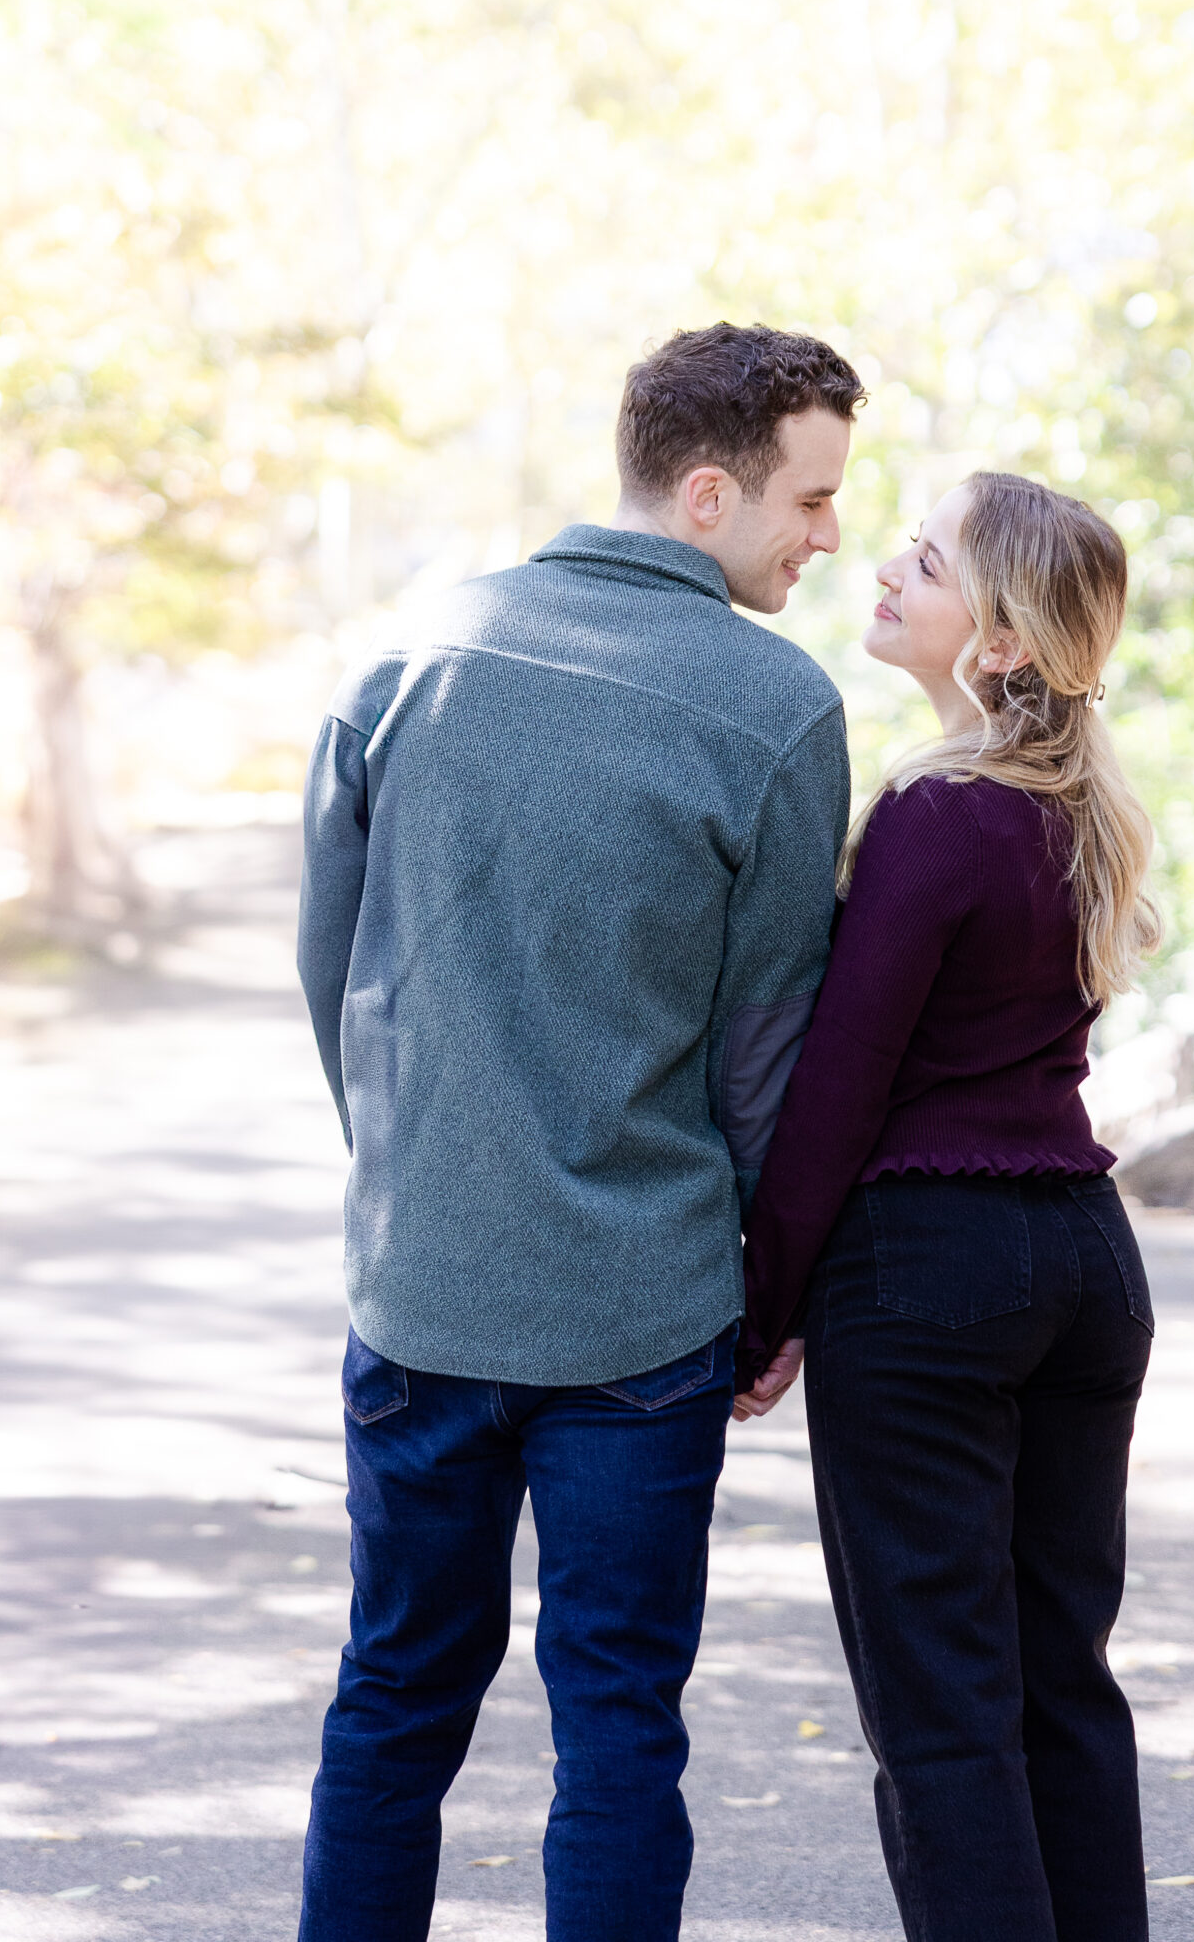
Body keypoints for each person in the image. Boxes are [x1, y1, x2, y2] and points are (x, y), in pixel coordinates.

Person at [294, 322, 864, 1942]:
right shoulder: (775, 706)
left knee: (393, 1696)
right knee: (619, 1725)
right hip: (644, 1317)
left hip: (422, 1289)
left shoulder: (415, 651)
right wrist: (774, 1294)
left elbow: (329, 968)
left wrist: (418, 1160)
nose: (829, 536)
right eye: (809, 502)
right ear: (705, 493)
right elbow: (768, 1055)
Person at [734, 469, 1161, 1942]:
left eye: (929, 561)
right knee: (1062, 1691)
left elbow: (842, 1085)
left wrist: (763, 1305)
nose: (889, 571)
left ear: (1002, 645)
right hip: (1085, 1272)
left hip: (927, 1276)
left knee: (943, 1717)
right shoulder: (1081, 812)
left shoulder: (934, 812)